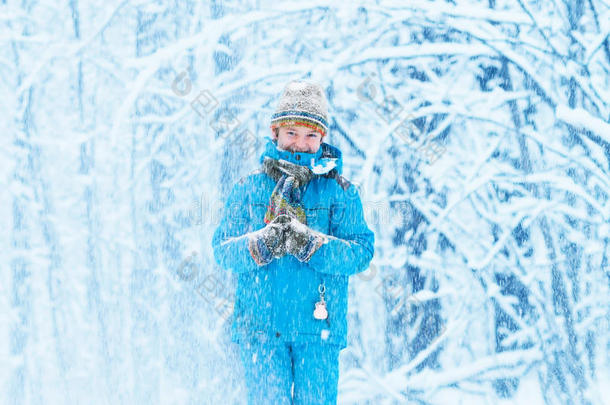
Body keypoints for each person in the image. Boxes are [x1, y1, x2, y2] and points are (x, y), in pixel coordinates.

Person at [212, 80, 375, 404]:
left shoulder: (339, 192)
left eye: (311, 135)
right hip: (260, 329)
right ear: (275, 133)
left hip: (318, 329)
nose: (300, 143)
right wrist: (259, 244)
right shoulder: (248, 188)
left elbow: (361, 252)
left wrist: (313, 245)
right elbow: (222, 250)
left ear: (322, 139)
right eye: (291, 133)